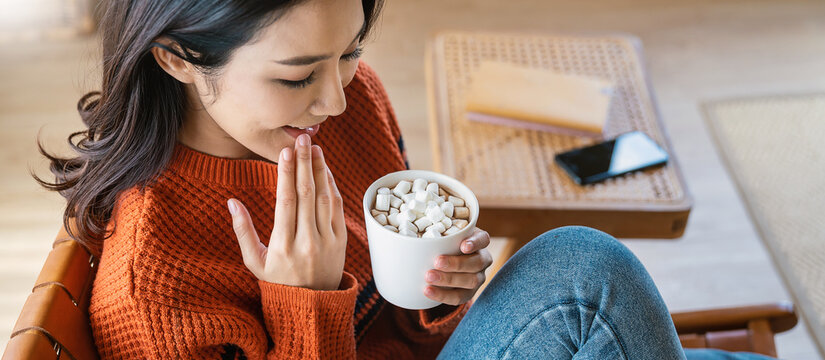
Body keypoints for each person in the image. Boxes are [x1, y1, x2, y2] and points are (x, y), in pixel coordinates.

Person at [33, 0, 776, 359]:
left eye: (349, 53)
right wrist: (307, 302)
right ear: (175, 60)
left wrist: (430, 297)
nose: (335, 98)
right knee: (582, 269)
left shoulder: (350, 108)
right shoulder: (151, 281)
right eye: (296, 77)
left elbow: (400, 332)